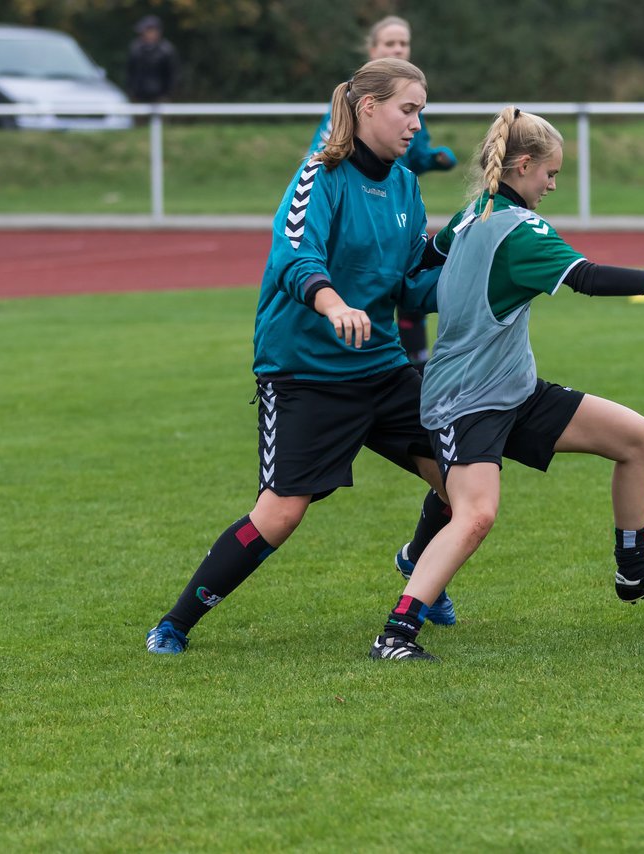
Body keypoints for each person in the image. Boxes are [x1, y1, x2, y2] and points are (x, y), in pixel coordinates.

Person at [367, 107, 644, 661]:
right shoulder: (520, 230)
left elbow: (426, 260)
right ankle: (396, 634)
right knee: (475, 515)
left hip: (514, 390)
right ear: (522, 165)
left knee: (637, 437)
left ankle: (634, 570)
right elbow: (588, 278)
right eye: (550, 174)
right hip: (466, 399)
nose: (552, 185)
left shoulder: (474, 211)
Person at [145, 58, 457, 654]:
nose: (417, 124)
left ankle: (422, 564)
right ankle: (174, 624)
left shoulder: (406, 186)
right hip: (305, 374)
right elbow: (294, 258)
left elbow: (412, 283)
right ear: (369, 108)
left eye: (422, 112)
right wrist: (334, 303)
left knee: (462, 479)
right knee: (281, 514)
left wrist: (475, 283)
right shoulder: (321, 174)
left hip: (382, 366)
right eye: (408, 110)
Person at [309, 15, 457, 374]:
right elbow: (327, 157)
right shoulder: (325, 170)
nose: (398, 49)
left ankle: (416, 362)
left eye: (403, 44)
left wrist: (436, 159)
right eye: (390, 44)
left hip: (394, 205)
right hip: (313, 363)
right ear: (373, 50)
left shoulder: (405, 178)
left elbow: (416, 153)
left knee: (405, 272)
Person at [126, 15, 178, 104]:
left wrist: (167, 95)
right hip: (139, 96)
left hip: (161, 97)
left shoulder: (166, 50)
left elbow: (173, 75)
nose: (143, 34)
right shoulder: (136, 48)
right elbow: (131, 72)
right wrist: (132, 91)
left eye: (147, 31)